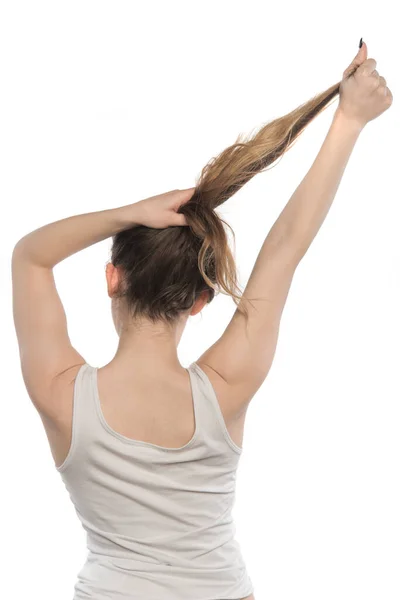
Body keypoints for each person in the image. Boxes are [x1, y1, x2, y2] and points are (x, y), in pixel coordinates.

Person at [11, 40, 392, 600]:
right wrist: (349, 121)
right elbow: (284, 248)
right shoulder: (226, 387)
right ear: (199, 300)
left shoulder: (61, 395)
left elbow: (30, 255)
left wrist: (128, 212)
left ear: (112, 278)